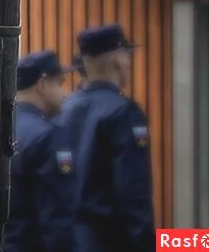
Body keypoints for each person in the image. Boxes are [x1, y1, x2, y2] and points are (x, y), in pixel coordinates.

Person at [58, 24, 153, 252]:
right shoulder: (123, 114)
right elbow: (132, 194)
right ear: (119, 61)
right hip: (109, 242)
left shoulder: (63, 109)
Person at [5, 51, 76, 252]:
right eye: (59, 83)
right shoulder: (46, 137)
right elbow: (57, 217)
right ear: (42, 83)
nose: (63, 94)